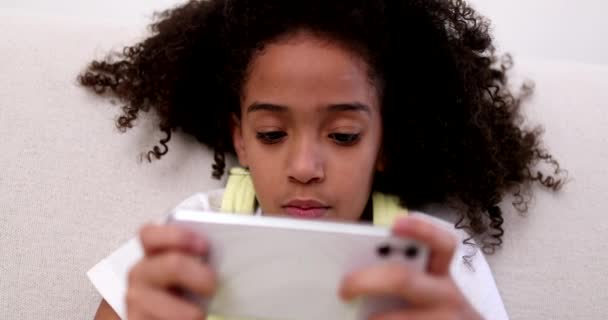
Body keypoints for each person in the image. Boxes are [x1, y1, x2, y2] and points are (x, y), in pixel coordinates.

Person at [79, 0, 563, 319]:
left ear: (385, 142)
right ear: (240, 139)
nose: (305, 166)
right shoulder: (195, 230)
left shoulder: (437, 259)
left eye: (343, 135)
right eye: (271, 134)